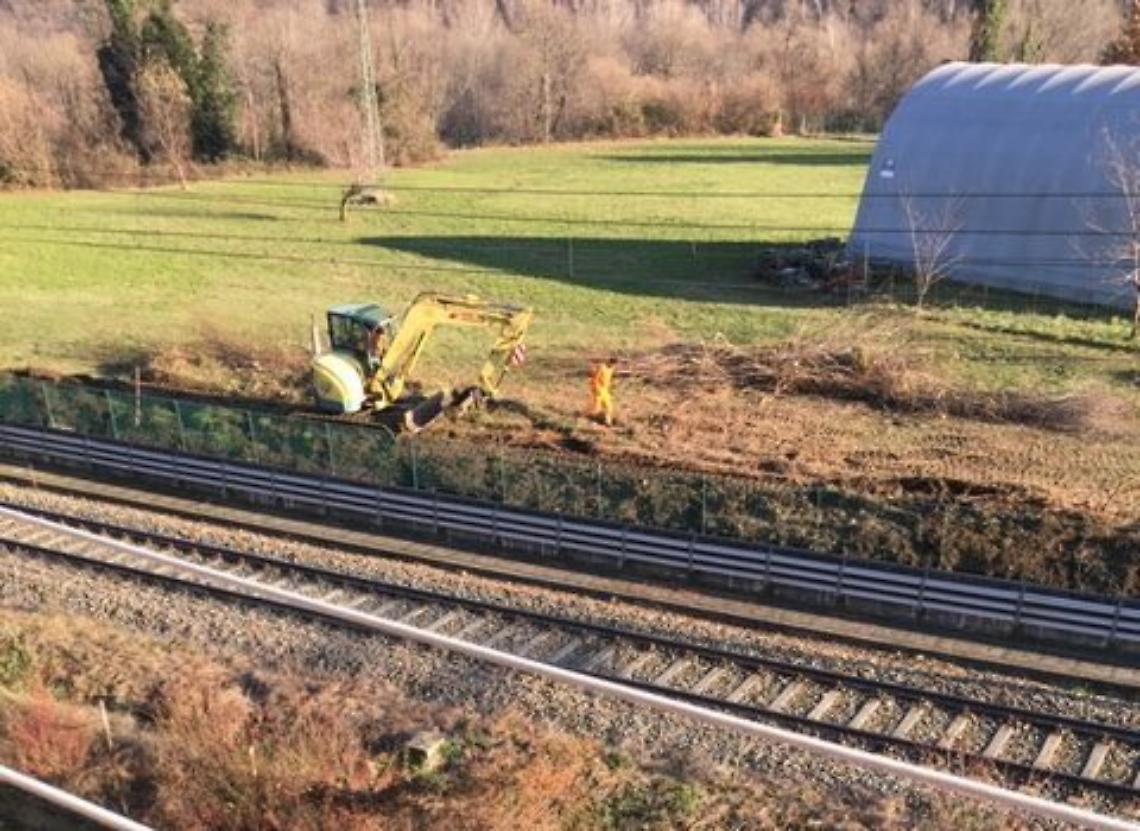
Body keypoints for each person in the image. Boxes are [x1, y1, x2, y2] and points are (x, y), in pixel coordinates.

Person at [589, 356, 617, 426]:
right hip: (599, 389)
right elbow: (595, 379)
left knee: (609, 406)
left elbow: (609, 379)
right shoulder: (601, 367)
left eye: (614, 365)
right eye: (612, 364)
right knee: (597, 407)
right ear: (609, 362)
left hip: (605, 390)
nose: (613, 366)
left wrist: (611, 387)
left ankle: (608, 422)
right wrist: (596, 389)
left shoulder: (611, 369)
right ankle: (593, 421)